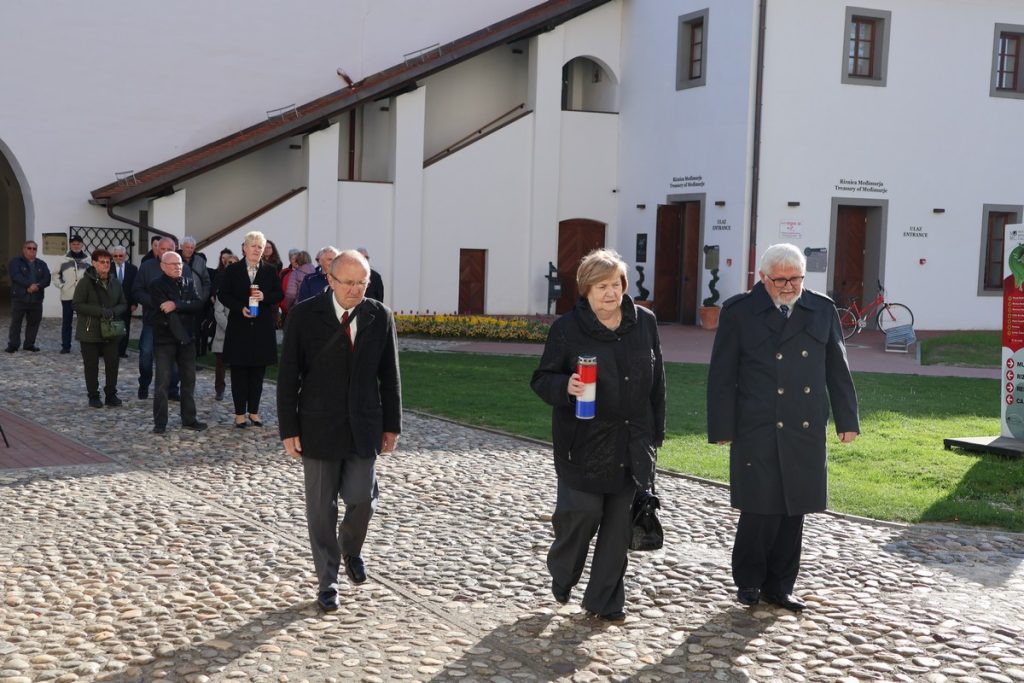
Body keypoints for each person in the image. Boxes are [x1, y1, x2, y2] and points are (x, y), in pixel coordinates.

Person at [707, 243, 860, 612]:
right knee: (760, 509)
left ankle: (780, 586)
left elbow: (836, 369)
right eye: (781, 280)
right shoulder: (739, 312)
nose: (790, 286)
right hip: (757, 424)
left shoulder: (821, 309)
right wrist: (721, 427)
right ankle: (748, 582)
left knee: (795, 509)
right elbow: (722, 375)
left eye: (796, 279)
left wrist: (847, 420)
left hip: (804, 425)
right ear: (762, 278)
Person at [530, 248, 665, 623]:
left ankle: (605, 600)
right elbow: (541, 379)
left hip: (632, 440)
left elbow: (659, 383)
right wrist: (566, 386)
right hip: (584, 441)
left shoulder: (645, 323)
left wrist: (656, 435)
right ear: (586, 291)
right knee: (582, 514)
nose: (611, 292)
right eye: (602, 286)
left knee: (619, 526)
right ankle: (564, 571)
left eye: (616, 284)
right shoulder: (567, 330)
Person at [277, 249, 402, 612]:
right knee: (320, 509)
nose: (355, 290)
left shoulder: (380, 316)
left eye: (361, 282)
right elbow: (287, 377)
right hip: (317, 425)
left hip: (364, 425)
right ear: (330, 280)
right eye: (348, 283)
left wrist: (391, 426)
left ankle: (351, 548)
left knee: (362, 497)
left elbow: (389, 376)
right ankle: (328, 580)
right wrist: (289, 428)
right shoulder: (304, 316)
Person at [218, 231, 284, 428]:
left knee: (257, 374)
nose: (257, 250)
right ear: (244, 248)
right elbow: (223, 295)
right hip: (239, 328)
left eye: (260, 247)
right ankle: (239, 414)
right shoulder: (233, 270)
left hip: (262, 329)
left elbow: (278, 293)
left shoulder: (270, 270)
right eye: (253, 246)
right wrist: (240, 308)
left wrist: (265, 297)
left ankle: (254, 412)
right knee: (239, 373)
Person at [149, 251, 207, 434]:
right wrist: (182, 305)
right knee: (162, 383)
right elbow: (164, 310)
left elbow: (198, 304)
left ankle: (189, 419)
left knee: (189, 381)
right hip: (165, 339)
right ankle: (160, 423)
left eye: (180, 264)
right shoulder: (156, 285)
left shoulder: (188, 281)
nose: (178, 267)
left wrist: (177, 305)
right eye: (174, 264)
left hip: (187, 339)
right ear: (163, 266)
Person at [133, 237, 191, 400]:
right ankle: (144, 383)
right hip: (153, 320)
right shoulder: (147, 267)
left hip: (174, 321)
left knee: (173, 358)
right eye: (163, 249)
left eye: (170, 248)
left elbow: (189, 293)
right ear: (157, 249)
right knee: (146, 354)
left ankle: (172, 389)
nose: (166, 251)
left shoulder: (183, 268)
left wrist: (176, 304)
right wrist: (156, 302)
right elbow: (137, 291)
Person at [72, 249, 128, 408]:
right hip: (90, 331)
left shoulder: (115, 282)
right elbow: (76, 304)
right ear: (94, 263)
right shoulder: (85, 282)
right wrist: (99, 312)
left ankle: (111, 394)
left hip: (110, 330)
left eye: (107, 262)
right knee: (91, 366)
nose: (105, 265)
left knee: (112, 364)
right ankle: (93, 395)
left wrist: (113, 311)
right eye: (102, 262)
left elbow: (124, 303)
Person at [6, 240, 51, 353]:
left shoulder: (41, 264)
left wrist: (38, 286)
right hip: (20, 298)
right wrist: (29, 285)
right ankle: (13, 345)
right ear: (24, 249)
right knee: (16, 322)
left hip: (36, 299)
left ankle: (29, 344)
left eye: (34, 248)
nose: (31, 250)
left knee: (34, 322)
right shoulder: (16, 262)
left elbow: (47, 278)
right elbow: (16, 276)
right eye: (29, 248)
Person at [211, 255, 239, 401]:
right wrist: (230, 327)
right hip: (224, 330)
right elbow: (218, 311)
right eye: (229, 262)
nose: (232, 265)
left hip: (240, 332)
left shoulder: (243, 285)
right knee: (220, 364)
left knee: (238, 365)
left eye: (235, 262)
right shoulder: (223, 285)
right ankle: (219, 389)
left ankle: (238, 391)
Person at [56, 234, 90, 354]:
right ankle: (66, 346)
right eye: (74, 244)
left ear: (82, 244)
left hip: (83, 297)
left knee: (83, 322)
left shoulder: (88, 259)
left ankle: (84, 346)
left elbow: (92, 275)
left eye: (78, 243)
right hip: (67, 295)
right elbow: (55, 275)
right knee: (67, 322)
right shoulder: (63, 259)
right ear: (70, 245)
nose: (76, 246)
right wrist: (62, 286)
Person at [179, 236, 211, 355]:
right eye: (187, 247)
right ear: (181, 247)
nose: (190, 249)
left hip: (196, 302)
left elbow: (207, 282)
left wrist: (202, 298)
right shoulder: (175, 259)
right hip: (180, 302)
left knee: (195, 331)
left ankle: (193, 356)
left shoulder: (199, 261)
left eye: (192, 247)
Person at [110, 245, 138, 358]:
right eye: (115, 256)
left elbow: (136, 287)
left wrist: (135, 303)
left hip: (127, 303)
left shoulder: (132, 269)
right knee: (113, 327)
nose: (118, 258)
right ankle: (112, 350)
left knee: (125, 326)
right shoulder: (109, 268)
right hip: (112, 304)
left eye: (120, 255)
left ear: (125, 255)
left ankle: (122, 351)